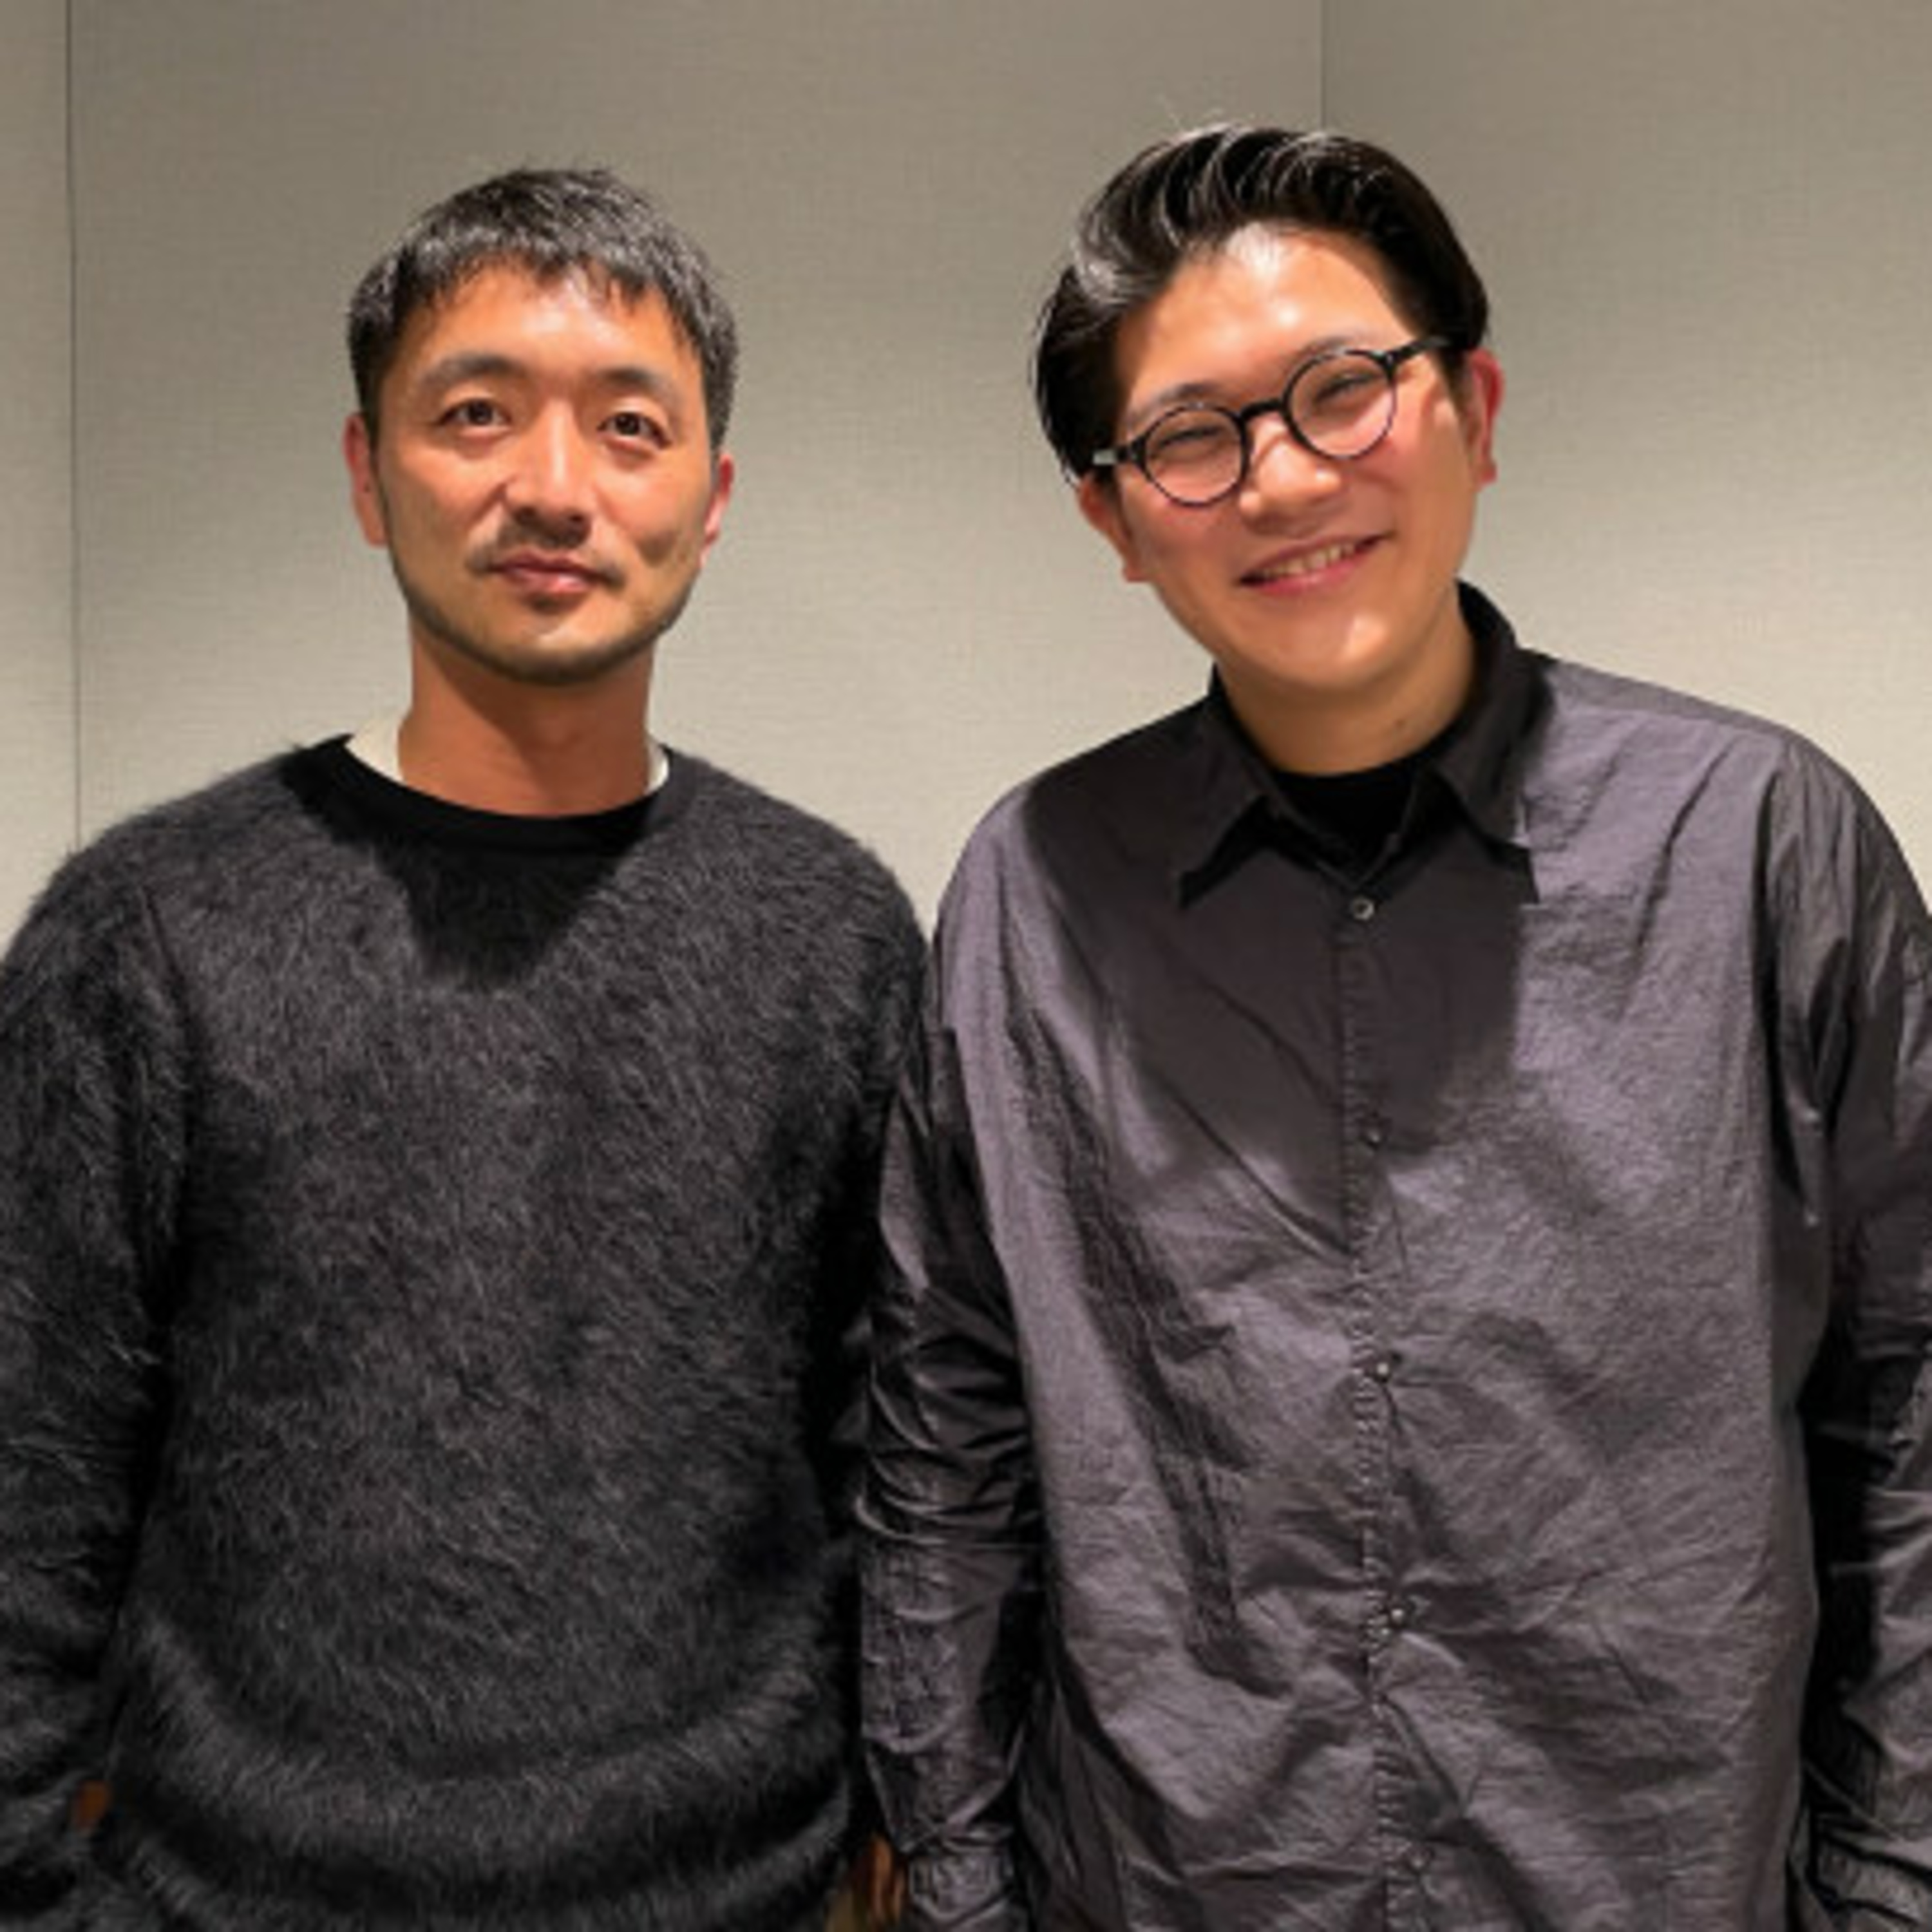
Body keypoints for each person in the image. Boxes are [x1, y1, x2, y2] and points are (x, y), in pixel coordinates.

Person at [861, 124, 1932, 1929]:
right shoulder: (1033, 894)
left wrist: (1889, 1884)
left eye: (1342, 390)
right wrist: (960, 1889)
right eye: (1191, 435)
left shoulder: (1762, 844)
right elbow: (947, 1440)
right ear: (1114, 519)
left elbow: (1907, 1410)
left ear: (1473, 410)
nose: (1284, 479)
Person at [0, 167, 923, 1929]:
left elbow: (892, 1444)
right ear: (369, 474)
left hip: (738, 1895)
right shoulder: (146, 930)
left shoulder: (835, 935)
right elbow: (29, 1476)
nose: (554, 487)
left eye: (630, 426)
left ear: (712, 496)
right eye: (476, 413)